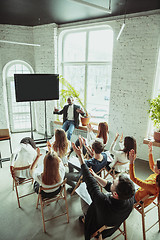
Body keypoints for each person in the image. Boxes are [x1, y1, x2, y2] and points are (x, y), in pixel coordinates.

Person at [72, 142, 135, 240]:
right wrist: (96, 176)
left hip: (97, 226)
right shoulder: (130, 199)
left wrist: (80, 156)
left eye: (113, 182)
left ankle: (84, 217)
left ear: (115, 194)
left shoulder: (102, 201)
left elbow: (91, 184)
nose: (111, 182)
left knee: (83, 193)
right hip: (111, 228)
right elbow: (109, 186)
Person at [129, 142, 160, 207]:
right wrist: (150, 152)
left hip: (137, 198)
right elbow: (152, 167)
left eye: (155, 166)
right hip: (143, 193)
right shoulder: (158, 178)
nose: (153, 166)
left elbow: (133, 178)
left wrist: (131, 162)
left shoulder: (153, 185)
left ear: (159, 170)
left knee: (124, 182)